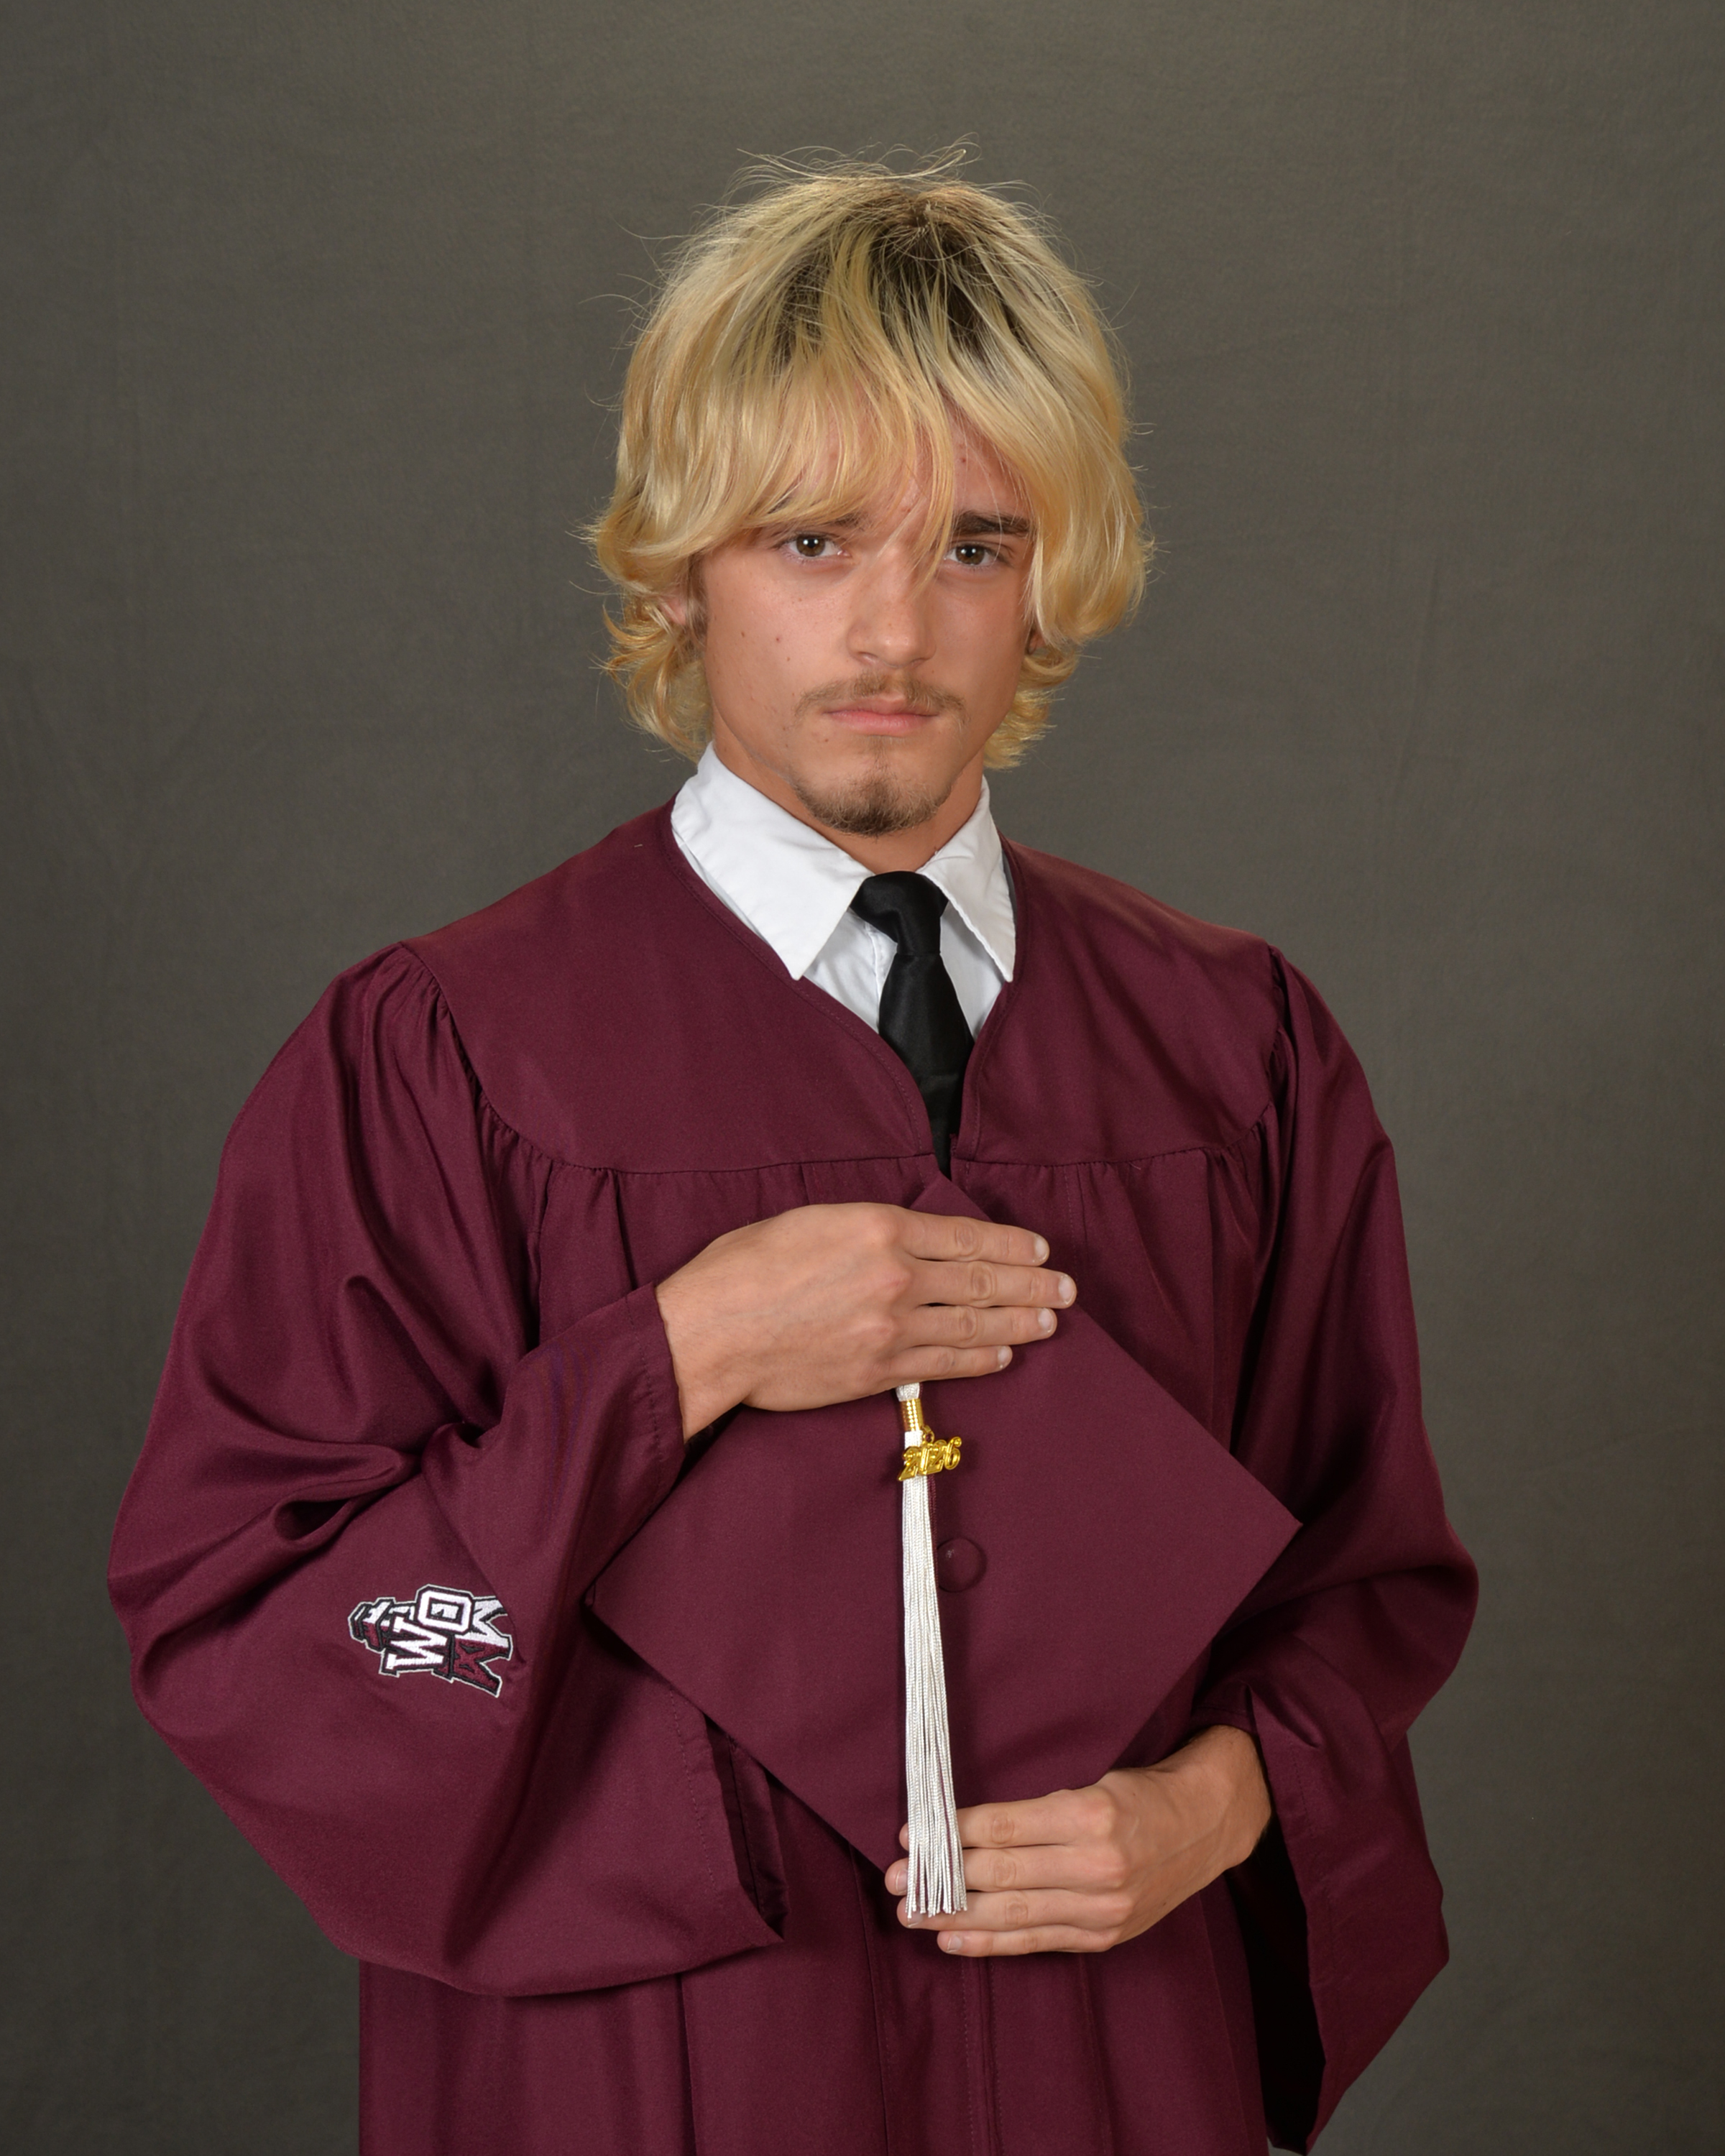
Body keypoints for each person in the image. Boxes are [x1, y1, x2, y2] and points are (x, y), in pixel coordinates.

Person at [110, 157, 1476, 2156]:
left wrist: (1219, 1800)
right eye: (811, 539)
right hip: (649, 2060)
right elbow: (270, 1626)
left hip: (1108, 2054)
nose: (895, 631)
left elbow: (1364, 1576)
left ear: (1055, 580)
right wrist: (671, 1360)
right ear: (681, 571)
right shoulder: (446, 1057)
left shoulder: (1233, 1052)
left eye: (978, 545)